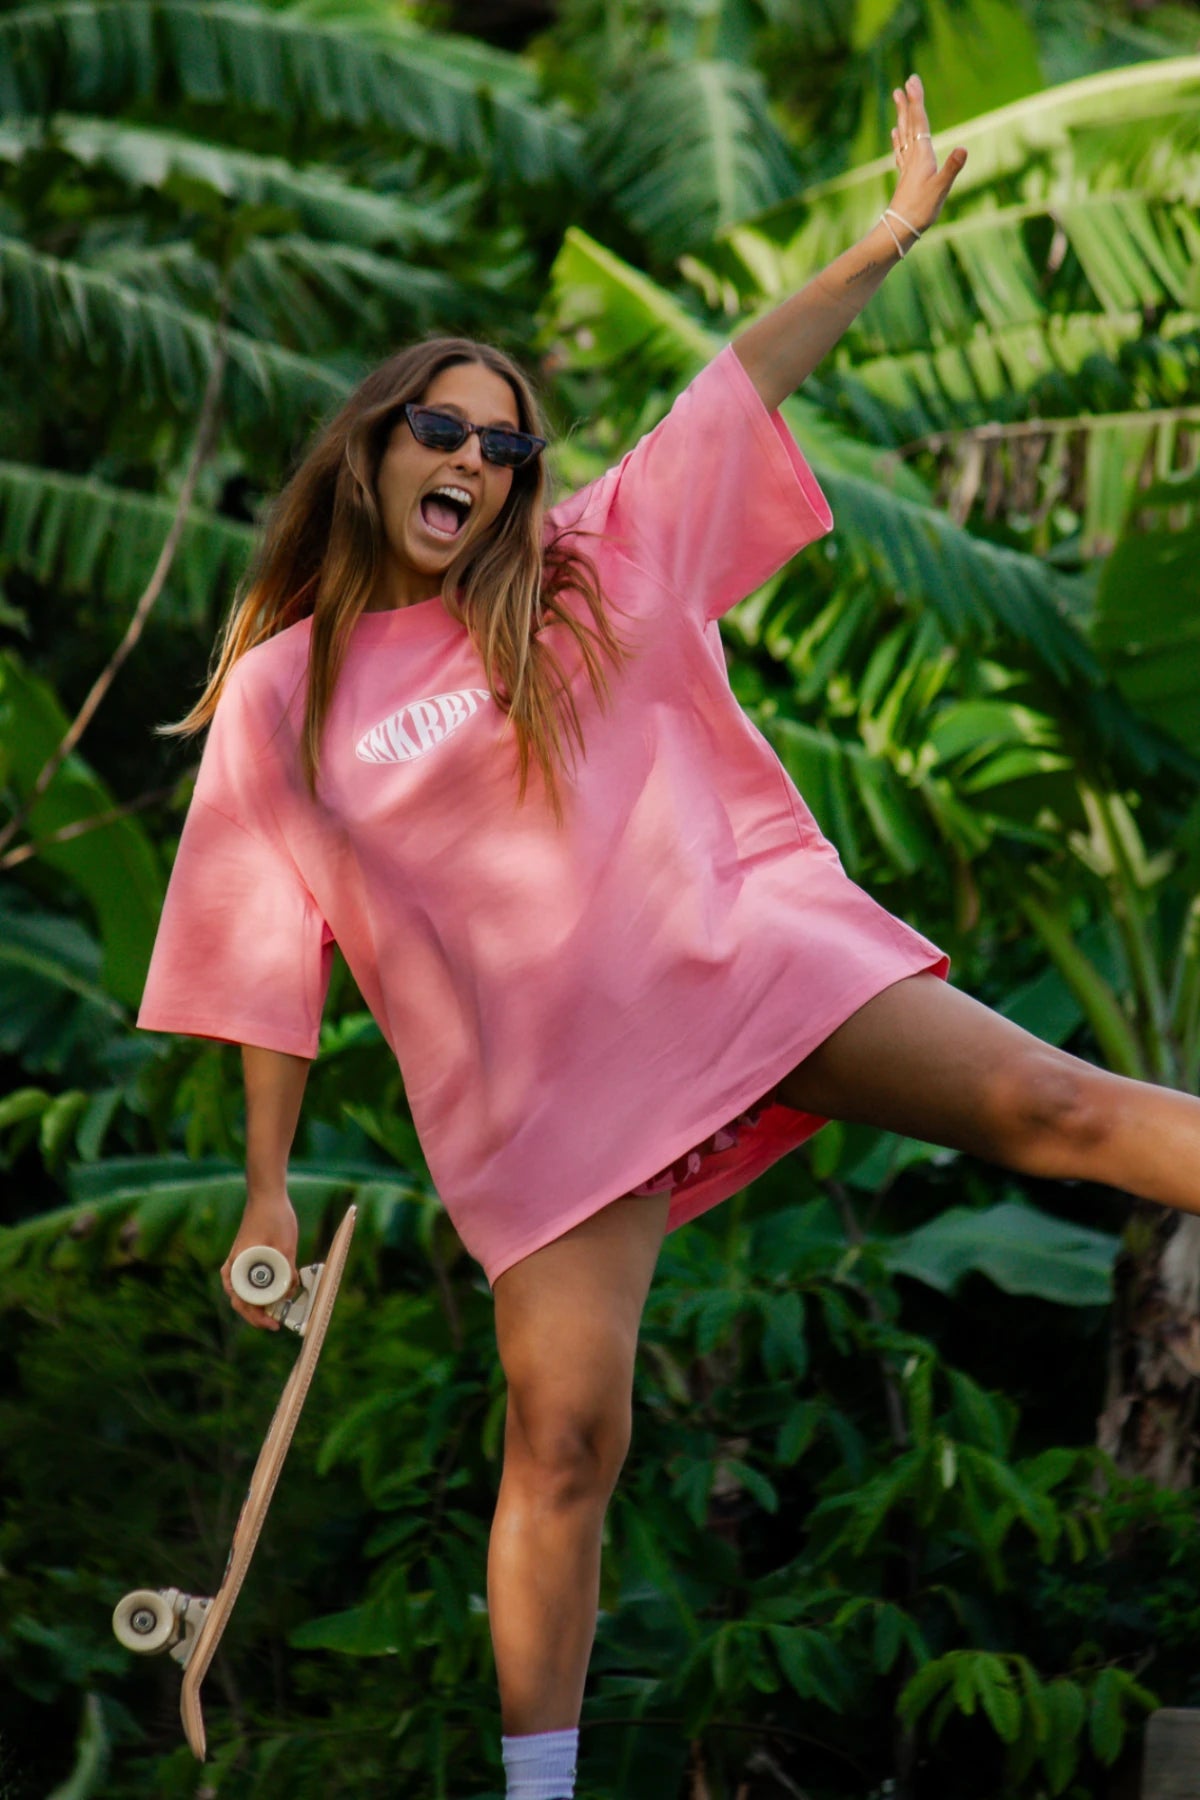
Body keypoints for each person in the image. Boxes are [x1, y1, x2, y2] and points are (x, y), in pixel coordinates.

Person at [135, 75, 1200, 1800]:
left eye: (505, 445)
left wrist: (885, 240)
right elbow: (267, 950)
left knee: (1063, 1109)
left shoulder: (591, 566)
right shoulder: (283, 695)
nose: (477, 463)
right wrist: (265, 1188)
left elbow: (737, 384)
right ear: (372, 443)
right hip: (549, 1114)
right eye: (444, 430)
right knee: (563, 1445)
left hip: (745, 970)